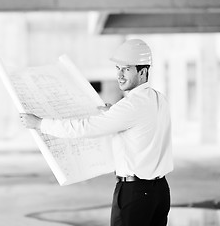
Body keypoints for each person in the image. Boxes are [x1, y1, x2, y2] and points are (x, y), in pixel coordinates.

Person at [20, 38, 173, 226]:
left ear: (143, 71)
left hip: (135, 194)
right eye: (118, 68)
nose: (120, 75)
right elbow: (143, 126)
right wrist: (113, 114)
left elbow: (84, 127)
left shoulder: (130, 106)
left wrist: (40, 124)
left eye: (126, 69)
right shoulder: (160, 99)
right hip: (160, 193)